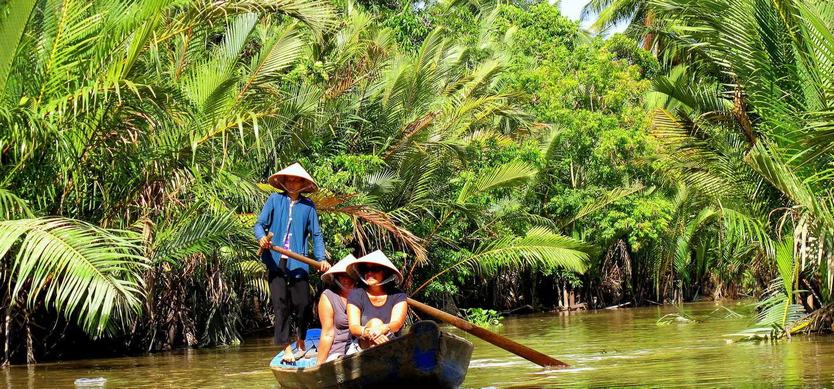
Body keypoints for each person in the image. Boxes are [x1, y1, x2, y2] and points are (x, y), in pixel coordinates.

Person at [254, 162, 331, 363]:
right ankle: (287, 348)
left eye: (297, 180)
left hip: (298, 262)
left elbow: (316, 233)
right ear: (284, 181)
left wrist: (321, 258)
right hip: (275, 260)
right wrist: (262, 237)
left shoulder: (308, 206)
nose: (293, 183)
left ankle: (302, 341)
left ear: (302, 183)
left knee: (303, 303)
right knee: (280, 304)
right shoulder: (274, 200)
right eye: (289, 179)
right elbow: (259, 225)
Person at [346, 250, 408, 350]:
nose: (369, 273)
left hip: (390, 343)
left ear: (385, 273)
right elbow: (354, 327)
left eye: (375, 269)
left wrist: (383, 329)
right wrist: (371, 332)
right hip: (360, 346)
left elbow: (396, 324)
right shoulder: (356, 294)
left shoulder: (398, 295)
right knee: (375, 323)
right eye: (365, 269)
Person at [316, 254, 358, 364]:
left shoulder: (362, 294)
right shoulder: (328, 296)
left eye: (351, 276)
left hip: (361, 345)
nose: (347, 279)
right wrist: (319, 366)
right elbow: (327, 334)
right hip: (339, 349)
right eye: (343, 275)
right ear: (337, 277)